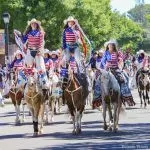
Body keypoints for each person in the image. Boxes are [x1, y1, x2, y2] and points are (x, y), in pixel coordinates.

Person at [100, 40, 135, 106]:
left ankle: (126, 96)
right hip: (107, 69)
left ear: (114, 46)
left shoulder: (117, 52)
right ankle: (99, 98)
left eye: (111, 45)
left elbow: (121, 59)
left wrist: (120, 61)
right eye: (109, 45)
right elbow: (103, 61)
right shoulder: (106, 53)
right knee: (99, 80)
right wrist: (105, 65)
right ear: (107, 46)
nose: (110, 46)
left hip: (116, 69)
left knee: (124, 79)